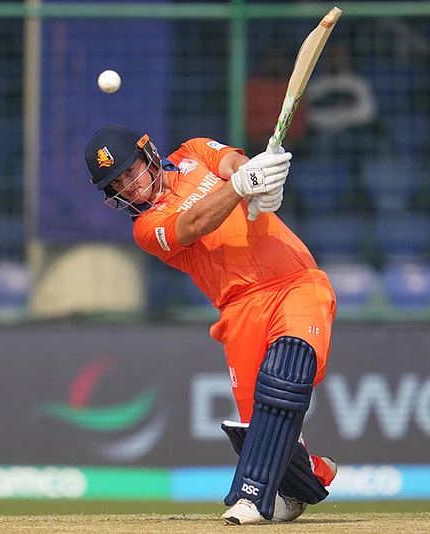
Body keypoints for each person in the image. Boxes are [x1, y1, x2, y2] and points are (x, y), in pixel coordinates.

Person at [85, 126, 338, 525]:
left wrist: (262, 180)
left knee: (286, 372)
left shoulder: (195, 151)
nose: (129, 187)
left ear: (148, 153)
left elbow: (236, 165)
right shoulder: (147, 227)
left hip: (294, 280)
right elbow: (193, 225)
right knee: (258, 427)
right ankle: (301, 483)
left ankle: (252, 495)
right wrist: (241, 186)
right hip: (237, 308)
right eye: (117, 185)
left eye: (130, 172)